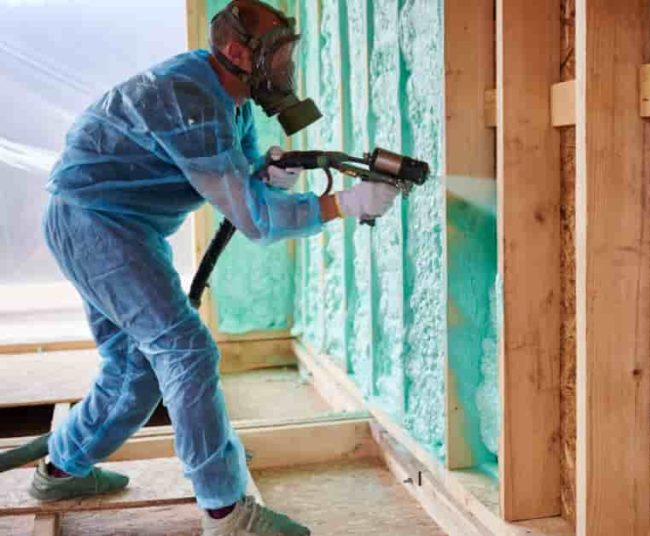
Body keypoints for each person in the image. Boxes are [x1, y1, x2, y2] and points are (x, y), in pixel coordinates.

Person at [34, 0, 397, 534]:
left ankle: (62, 468)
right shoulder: (190, 97)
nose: (284, 68)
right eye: (276, 55)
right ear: (236, 52)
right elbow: (255, 221)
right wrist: (342, 204)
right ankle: (225, 512)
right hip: (95, 224)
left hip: (121, 227)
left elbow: (244, 183)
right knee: (185, 349)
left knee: (135, 370)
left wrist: (268, 176)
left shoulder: (234, 102)